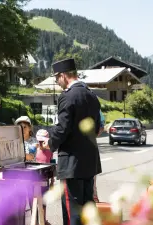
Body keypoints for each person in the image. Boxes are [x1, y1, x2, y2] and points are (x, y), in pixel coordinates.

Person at [43, 58, 102, 225]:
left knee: (73, 211)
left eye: (56, 78)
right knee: (88, 208)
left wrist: (49, 143)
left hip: (72, 164)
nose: (57, 81)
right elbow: (97, 128)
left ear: (63, 76)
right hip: (89, 162)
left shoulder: (67, 97)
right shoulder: (92, 95)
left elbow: (62, 128)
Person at [35, 129, 55, 225]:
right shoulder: (34, 150)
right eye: (39, 141)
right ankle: (35, 221)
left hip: (45, 179)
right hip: (35, 179)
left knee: (44, 202)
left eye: (43, 141)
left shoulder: (50, 151)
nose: (41, 143)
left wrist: (52, 181)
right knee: (34, 202)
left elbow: (52, 166)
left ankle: (43, 220)